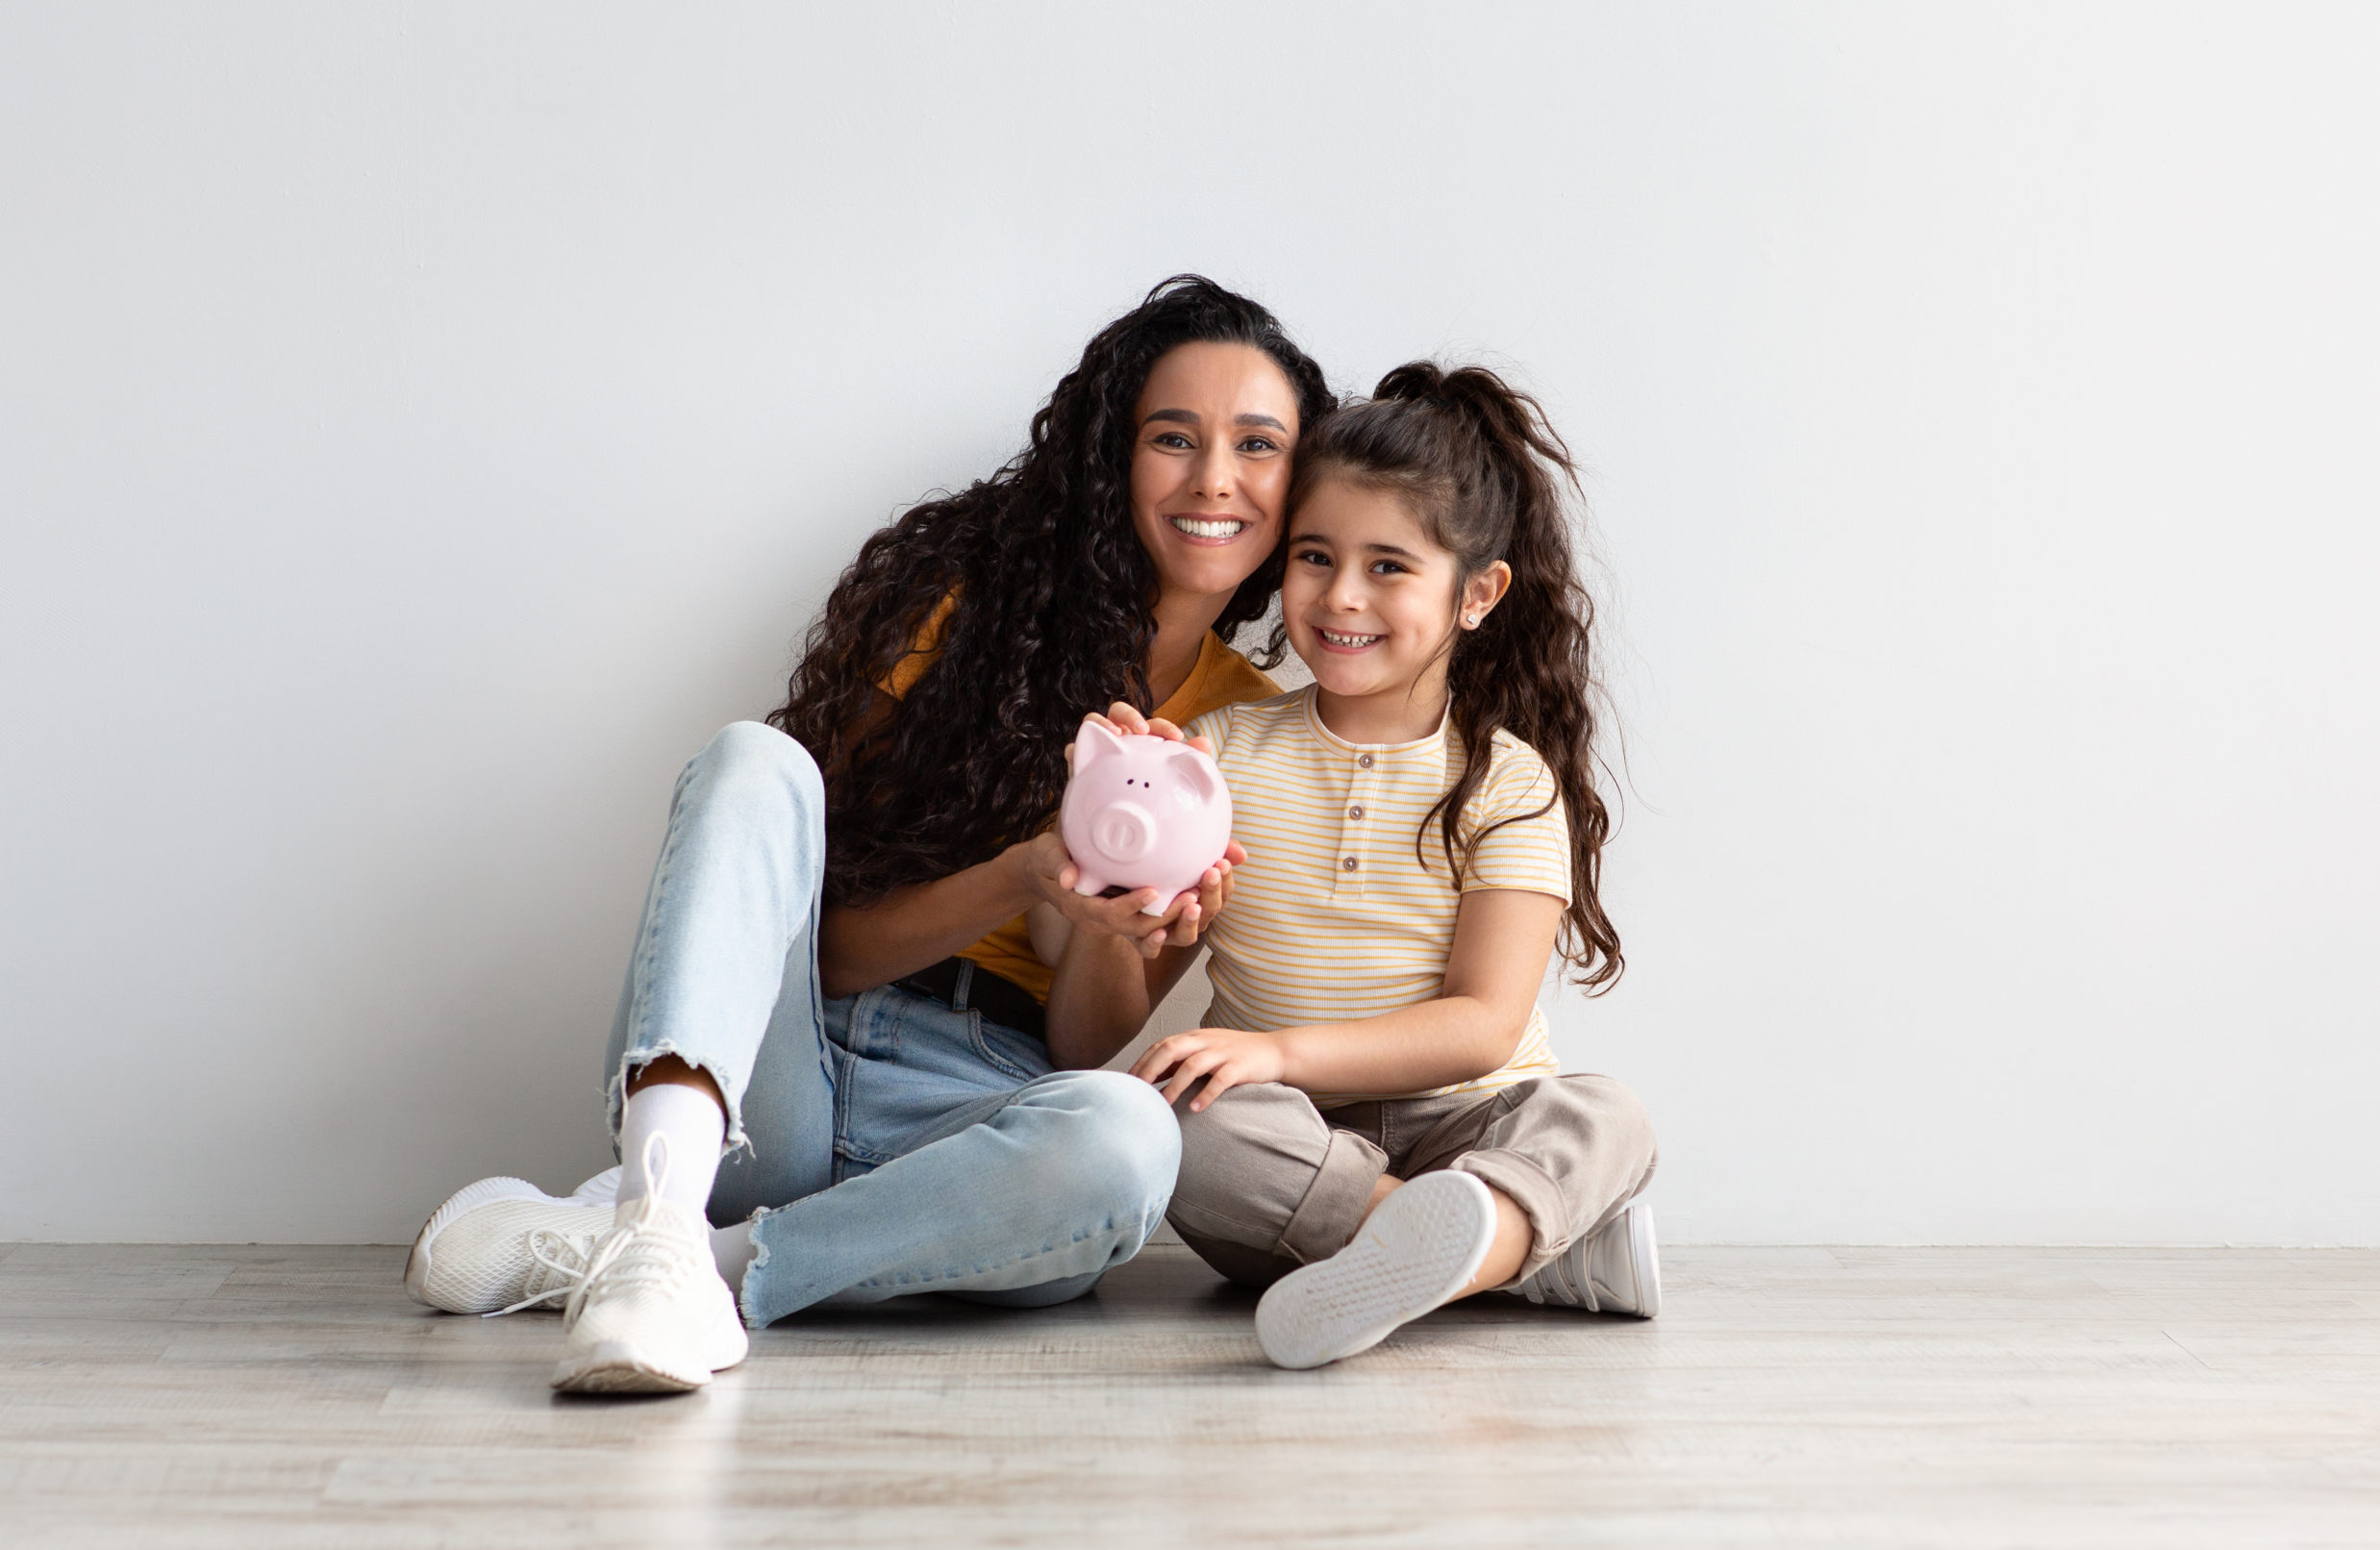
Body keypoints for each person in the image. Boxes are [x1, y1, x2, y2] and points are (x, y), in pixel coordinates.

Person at [403, 276, 1335, 1393]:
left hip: (971, 1124)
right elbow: (830, 951)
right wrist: (1026, 868)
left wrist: (1095, 923)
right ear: (1110, 455)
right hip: (780, 1078)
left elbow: (1085, 1050)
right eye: (1172, 438)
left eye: (1258, 445)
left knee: (1130, 1136)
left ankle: (678, 1264)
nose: (1215, 480)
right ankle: (658, 1204)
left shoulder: (1246, 741)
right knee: (757, 761)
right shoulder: (968, 602)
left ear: (1298, 483)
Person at [1043, 362, 1660, 1370]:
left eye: (1388, 567)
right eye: (1314, 557)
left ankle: (1425, 1245)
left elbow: (1482, 1026)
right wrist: (1110, 904)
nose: (1339, 597)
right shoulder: (1216, 757)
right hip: (1284, 1146)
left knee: (1605, 1115)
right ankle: (1516, 1257)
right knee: (1168, 1125)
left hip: (1469, 1123)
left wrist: (1280, 1049)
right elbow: (1084, 1037)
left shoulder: (1508, 782)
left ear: (1478, 593)